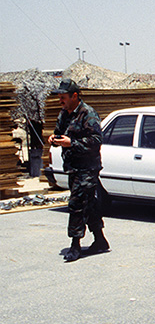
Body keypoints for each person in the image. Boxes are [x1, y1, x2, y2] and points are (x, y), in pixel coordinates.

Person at [48, 78, 108, 262]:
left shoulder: (88, 114)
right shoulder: (64, 114)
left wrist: (71, 143)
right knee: (88, 203)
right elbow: (60, 131)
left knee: (76, 204)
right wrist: (54, 138)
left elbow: (96, 141)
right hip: (73, 167)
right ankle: (100, 240)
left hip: (87, 168)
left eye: (63, 97)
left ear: (75, 96)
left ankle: (75, 245)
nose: (61, 101)